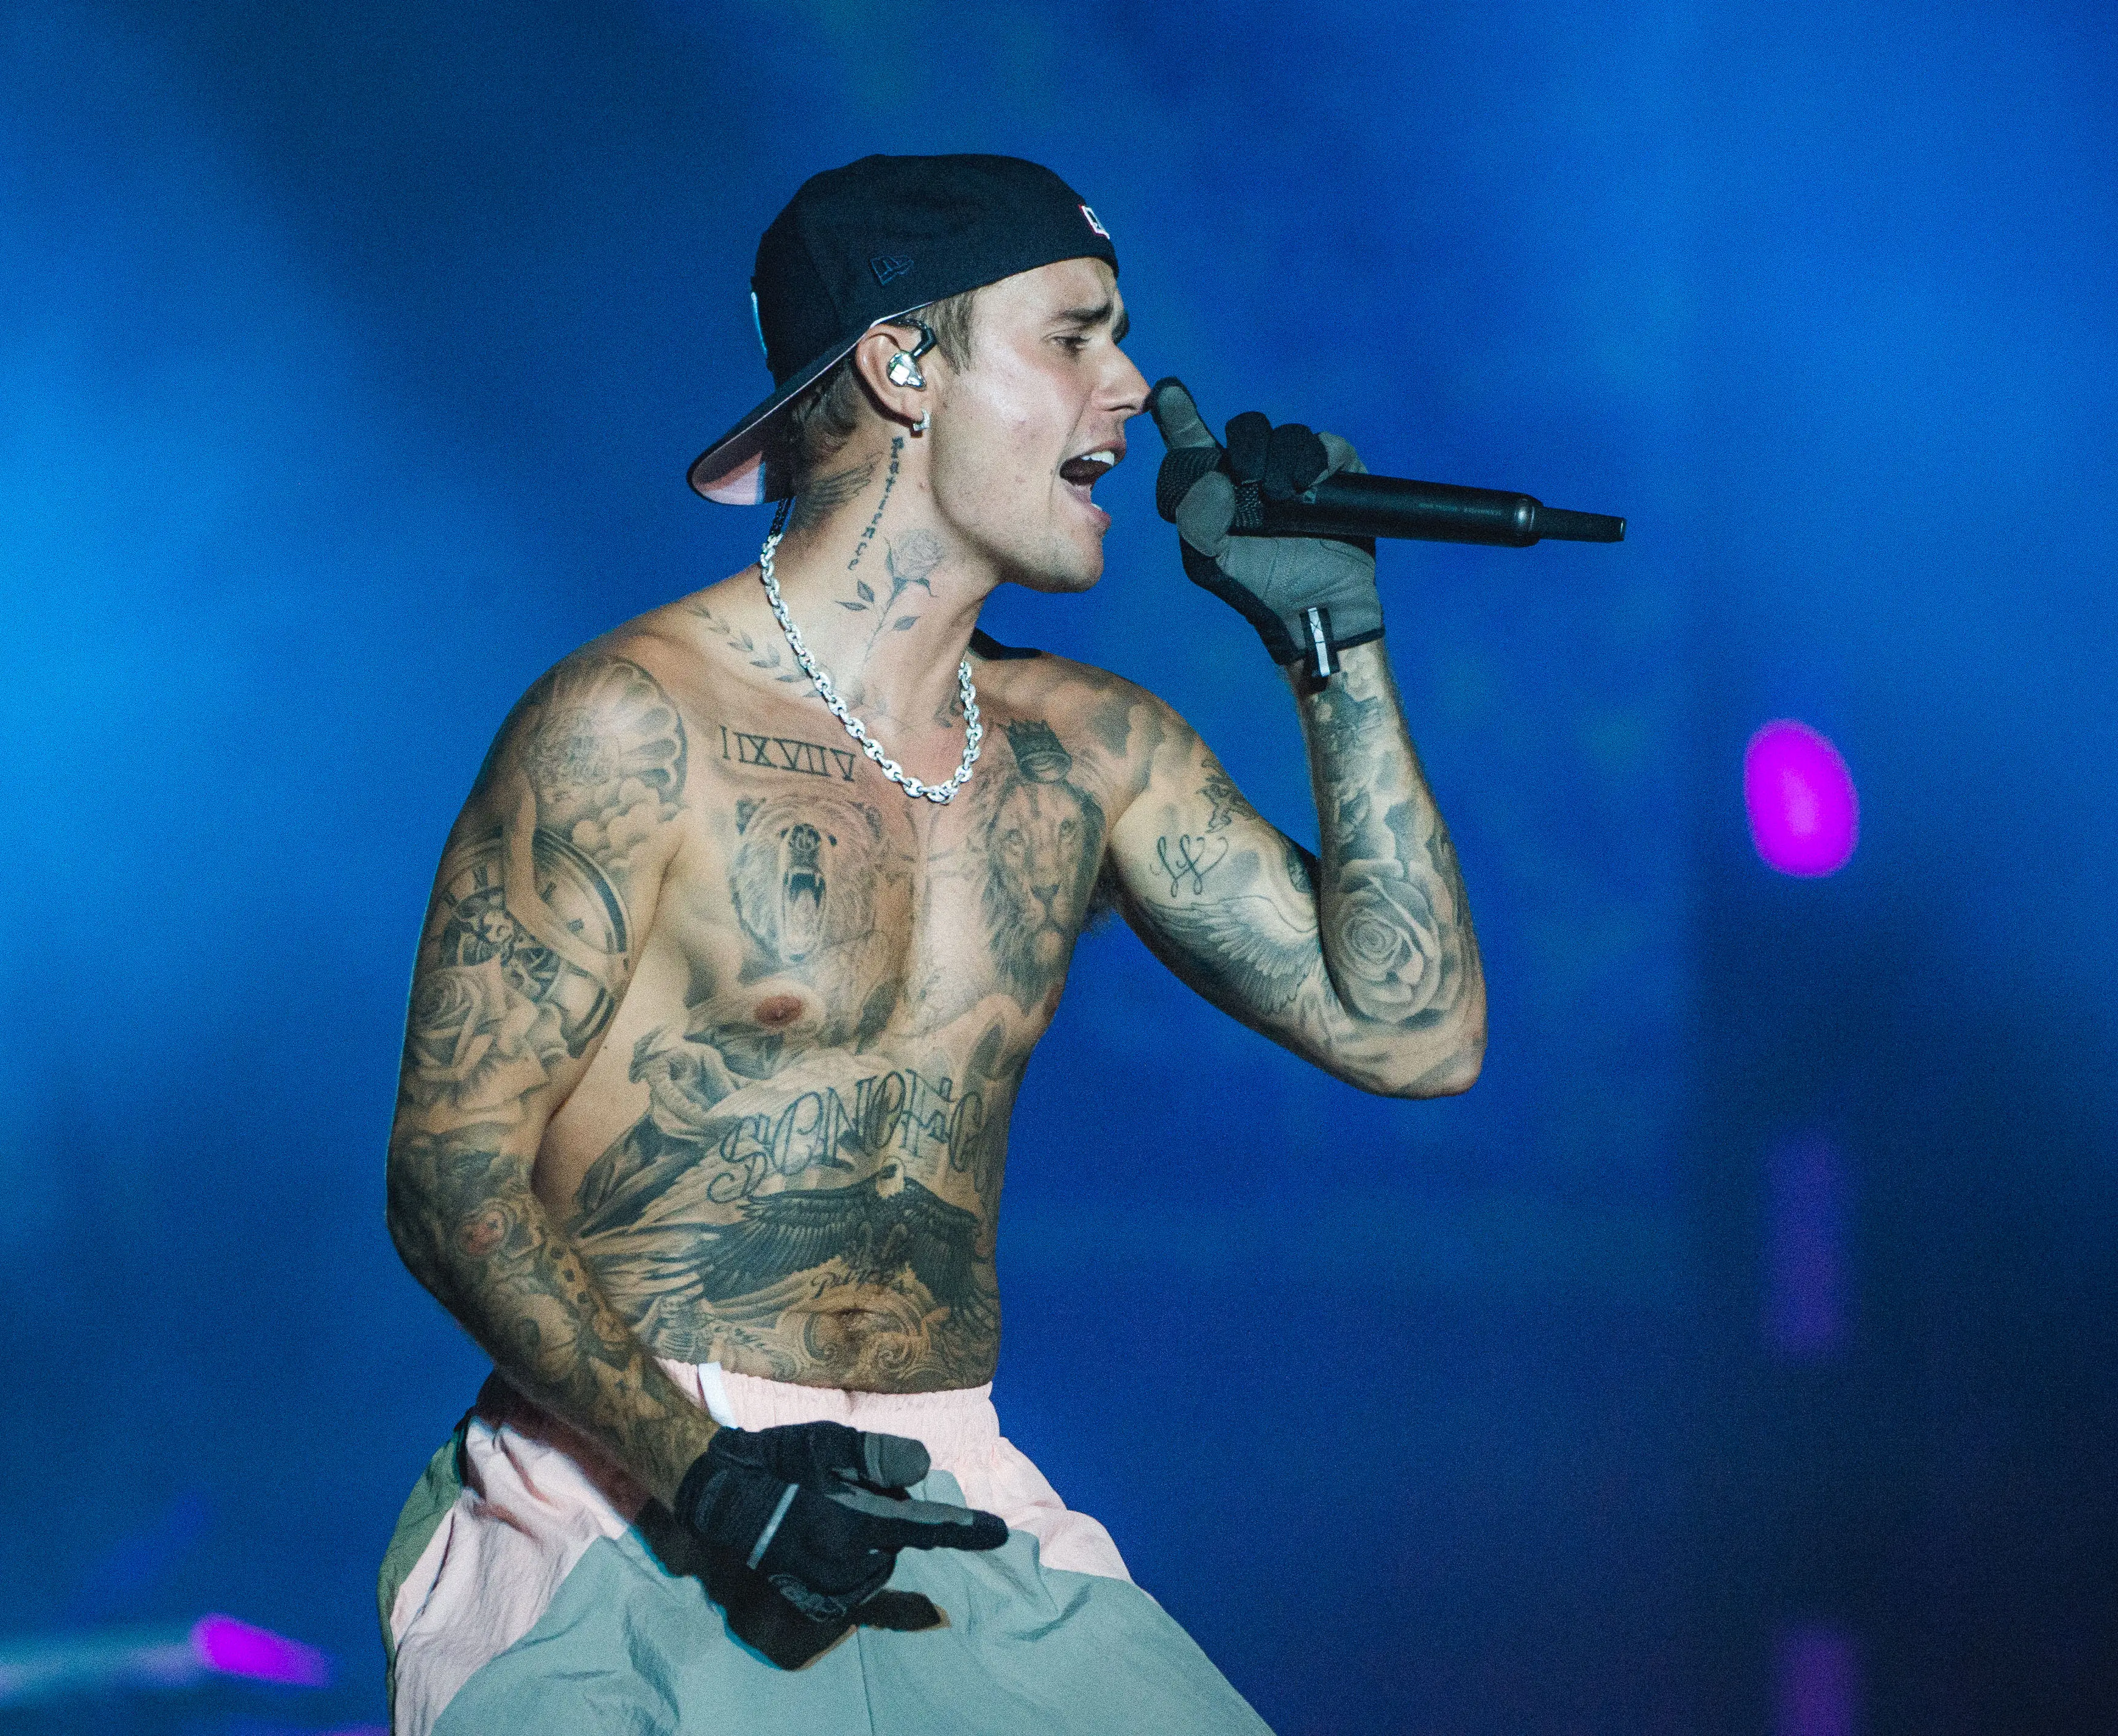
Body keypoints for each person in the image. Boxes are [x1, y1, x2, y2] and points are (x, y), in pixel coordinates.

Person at [376, 153, 1486, 1735]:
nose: (1132, 392)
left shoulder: (1088, 748)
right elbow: (446, 1179)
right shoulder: (634, 723)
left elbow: (1416, 1034)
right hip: (622, 1490)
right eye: (1073, 336)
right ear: (904, 364)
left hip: (935, 1480)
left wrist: (1335, 644)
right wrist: (713, 1478)